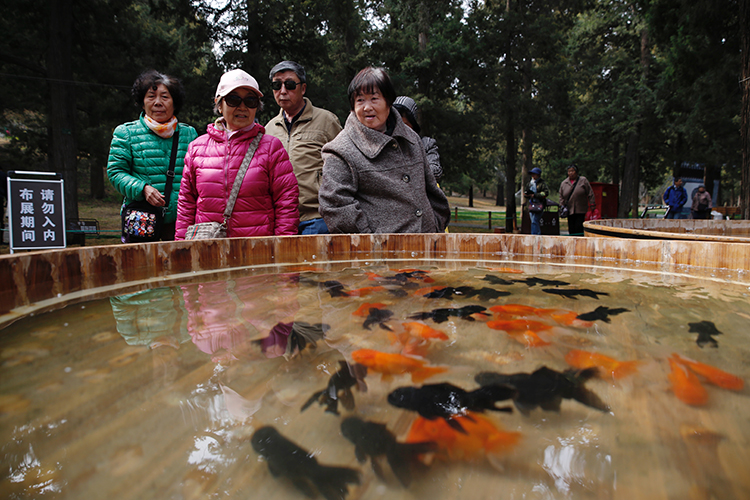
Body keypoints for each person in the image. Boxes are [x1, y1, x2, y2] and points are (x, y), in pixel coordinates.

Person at [319, 67, 450, 234]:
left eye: (374, 98)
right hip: (382, 255)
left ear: (388, 101)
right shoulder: (340, 150)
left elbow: (431, 189)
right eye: (360, 100)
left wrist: (435, 224)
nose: (367, 107)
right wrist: (371, 244)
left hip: (426, 247)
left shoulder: (411, 137)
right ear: (352, 106)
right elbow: (335, 206)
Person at [175, 69, 299, 239]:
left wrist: (282, 247)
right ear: (219, 104)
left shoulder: (271, 148)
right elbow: (186, 205)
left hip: (258, 250)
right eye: (233, 99)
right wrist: (182, 248)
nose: (242, 107)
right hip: (208, 249)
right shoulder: (197, 149)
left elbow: (287, 203)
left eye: (250, 100)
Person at [107, 70, 198, 241]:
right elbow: (116, 172)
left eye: (165, 97)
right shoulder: (126, 132)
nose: (158, 103)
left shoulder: (189, 134)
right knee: (142, 265)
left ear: (174, 103)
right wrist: (142, 188)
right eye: (151, 96)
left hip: (180, 221)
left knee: (181, 265)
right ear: (142, 102)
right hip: (142, 217)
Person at [265, 61, 342, 235]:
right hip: (281, 221)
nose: (283, 91)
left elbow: (346, 165)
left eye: (290, 84)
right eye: (277, 85)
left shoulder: (326, 120)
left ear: (303, 88)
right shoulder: (268, 129)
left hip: (318, 217)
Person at [393, 96, 443, 181]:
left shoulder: (426, 144)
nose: (399, 128)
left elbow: (436, 171)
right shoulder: (383, 143)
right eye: (396, 123)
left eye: (404, 124)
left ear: (413, 125)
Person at [559, 163, 595, 236]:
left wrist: (592, 203)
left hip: (580, 208)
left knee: (578, 227)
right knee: (571, 228)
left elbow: (590, 193)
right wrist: (562, 205)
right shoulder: (564, 183)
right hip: (569, 209)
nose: (571, 173)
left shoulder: (583, 180)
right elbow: (561, 196)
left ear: (576, 172)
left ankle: (580, 241)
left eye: (572, 171)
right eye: (569, 171)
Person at [524, 167, 548, 235]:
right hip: (531, 204)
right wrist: (527, 195)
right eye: (532, 174)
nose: (533, 176)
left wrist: (535, 195)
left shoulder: (542, 183)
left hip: (539, 204)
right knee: (533, 221)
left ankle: (534, 235)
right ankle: (537, 234)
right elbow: (526, 192)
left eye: (535, 174)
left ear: (538, 175)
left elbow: (545, 193)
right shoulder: (529, 183)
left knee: (535, 220)